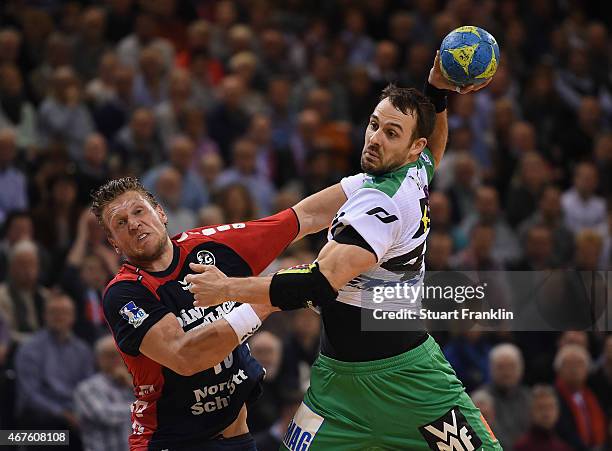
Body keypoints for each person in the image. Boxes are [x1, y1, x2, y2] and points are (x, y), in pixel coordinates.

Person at [187, 54, 502, 449]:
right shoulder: (408, 171)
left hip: (410, 383)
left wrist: (226, 288)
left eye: (391, 133)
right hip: (337, 385)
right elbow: (303, 216)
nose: (375, 138)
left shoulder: (381, 205)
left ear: (410, 145)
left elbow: (318, 285)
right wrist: (436, 89)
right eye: (374, 125)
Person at [92, 176, 348, 450]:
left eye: (139, 211)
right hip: (172, 441)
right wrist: (271, 298)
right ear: (114, 243)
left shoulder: (210, 246)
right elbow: (185, 356)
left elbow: (303, 217)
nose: (133, 223)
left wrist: (377, 184)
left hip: (239, 438)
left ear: (161, 212)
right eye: (120, 222)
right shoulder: (123, 293)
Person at [74, 335, 133, 451]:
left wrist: (131, 386)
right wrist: (142, 408)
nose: (117, 360)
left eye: (120, 355)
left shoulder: (131, 383)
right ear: (99, 359)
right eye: (111, 356)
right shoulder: (88, 387)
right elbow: (105, 415)